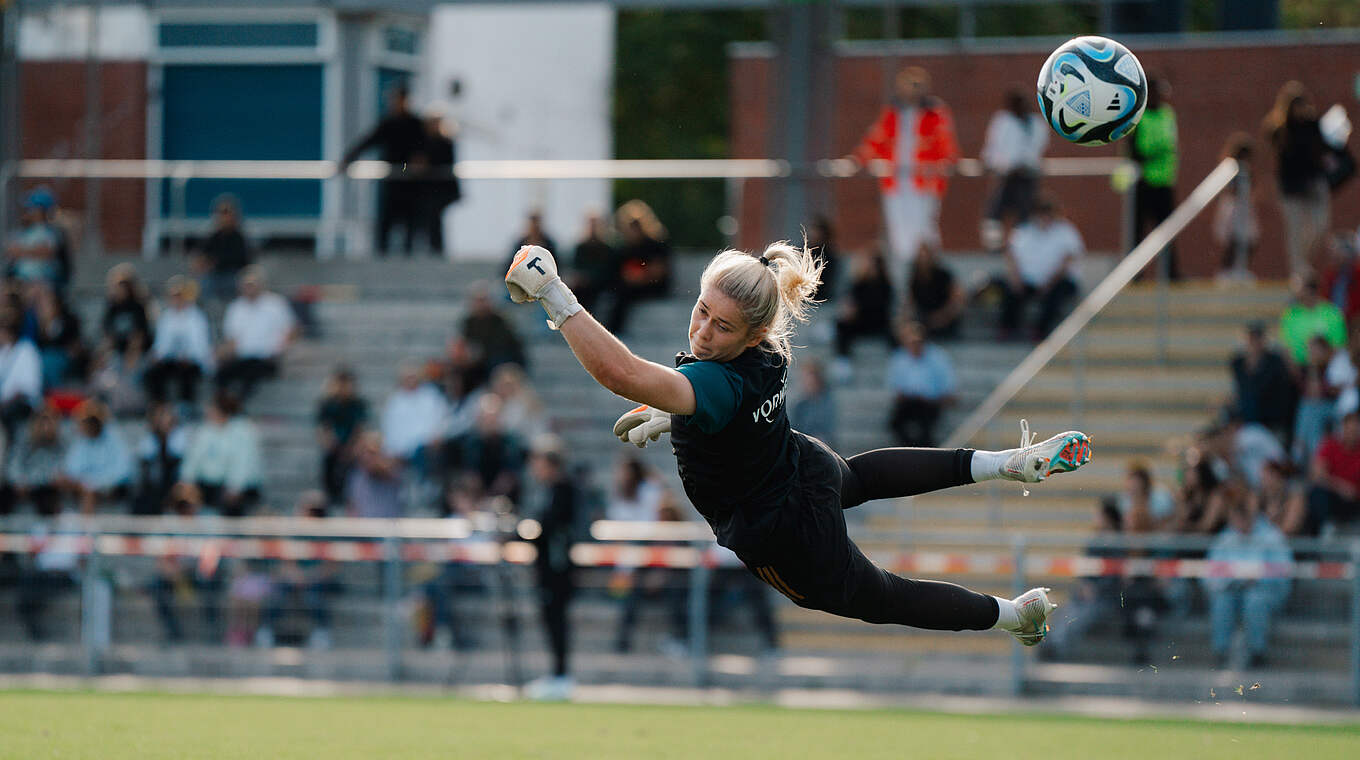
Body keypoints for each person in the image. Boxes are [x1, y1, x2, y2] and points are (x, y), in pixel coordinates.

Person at [504, 239, 1092, 649]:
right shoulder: (768, 352)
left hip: (783, 535)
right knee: (858, 478)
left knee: (883, 597)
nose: (703, 332)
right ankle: (1008, 463)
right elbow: (715, 409)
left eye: (721, 326)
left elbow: (623, 373)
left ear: (754, 331)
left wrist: (556, 294)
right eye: (701, 311)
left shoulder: (712, 377)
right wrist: (677, 416)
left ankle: (1019, 614)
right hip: (801, 464)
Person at [848, 66, 959, 294]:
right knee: (900, 235)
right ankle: (904, 283)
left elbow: (945, 142)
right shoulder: (893, 113)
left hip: (923, 182)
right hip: (896, 183)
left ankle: (929, 278)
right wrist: (859, 159)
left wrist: (946, 162)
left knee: (925, 232)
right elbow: (877, 138)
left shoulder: (935, 113)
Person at [1203, 490, 1292, 669]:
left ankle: (1257, 652)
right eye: (1238, 516)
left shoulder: (1272, 536)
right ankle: (1221, 652)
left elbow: (1284, 570)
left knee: (1255, 601)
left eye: (1245, 516)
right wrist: (1227, 582)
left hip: (1263, 590)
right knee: (1221, 601)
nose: (1241, 521)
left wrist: (1259, 579)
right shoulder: (1225, 538)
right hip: (1231, 589)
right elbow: (1209, 572)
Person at [522, 434, 580, 700]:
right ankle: (557, 674)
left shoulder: (564, 489)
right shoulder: (548, 491)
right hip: (549, 568)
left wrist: (523, 534)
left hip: (558, 569)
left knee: (557, 620)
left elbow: (551, 528)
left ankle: (561, 676)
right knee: (551, 620)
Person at [342, 82, 426, 256]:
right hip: (392, 178)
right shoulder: (388, 123)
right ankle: (382, 255)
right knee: (386, 220)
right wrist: (348, 158)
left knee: (409, 221)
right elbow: (368, 141)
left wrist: (419, 161)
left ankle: (406, 257)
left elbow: (424, 148)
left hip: (410, 180)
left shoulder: (416, 124)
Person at [1264, 81, 1332, 274]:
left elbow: (1324, 148)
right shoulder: (1278, 129)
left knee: (1320, 225)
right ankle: (1298, 272)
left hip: (1314, 182)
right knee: (1294, 230)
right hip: (1291, 187)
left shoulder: (1313, 124)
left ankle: (1304, 263)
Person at [997, 196, 1083, 341]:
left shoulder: (1066, 231)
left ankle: (1040, 331)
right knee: (1010, 292)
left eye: (1048, 214)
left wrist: (1050, 283)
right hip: (1029, 280)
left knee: (1056, 296)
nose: (1044, 218)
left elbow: (1067, 260)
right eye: (1041, 214)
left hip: (1058, 281)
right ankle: (1008, 328)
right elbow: (1011, 256)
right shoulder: (1024, 231)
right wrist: (1015, 278)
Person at [979, 87, 1048, 253]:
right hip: (1006, 176)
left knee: (1025, 216)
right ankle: (993, 247)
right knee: (994, 212)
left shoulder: (1036, 123)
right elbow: (993, 145)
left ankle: (1021, 249)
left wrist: (1024, 164)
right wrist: (990, 162)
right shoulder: (1003, 121)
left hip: (1027, 177)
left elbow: (1037, 149)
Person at [216, 266, 298, 402]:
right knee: (221, 374)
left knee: (250, 375)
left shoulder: (276, 304)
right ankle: (224, 407)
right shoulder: (236, 308)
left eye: (252, 285)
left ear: (261, 285)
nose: (249, 288)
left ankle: (236, 406)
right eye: (246, 285)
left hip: (267, 359)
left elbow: (292, 329)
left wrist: (281, 349)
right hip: (243, 358)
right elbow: (231, 339)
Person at [178, 393, 264, 517]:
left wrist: (235, 487)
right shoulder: (205, 430)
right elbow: (194, 456)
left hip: (238, 487)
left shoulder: (243, 431)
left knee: (231, 506)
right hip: (210, 486)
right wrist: (186, 480)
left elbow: (242, 461)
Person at [1129, 75, 1179, 280]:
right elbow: (1133, 151)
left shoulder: (1168, 114)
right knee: (1137, 231)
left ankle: (1171, 274)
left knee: (1169, 230)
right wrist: (1155, 153)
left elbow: (1172, 145)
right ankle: (1136, 275)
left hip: (1165, 181)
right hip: (1144, 181)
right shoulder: (1138, 117)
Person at [605, 200, 673, 335]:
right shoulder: (624, 248)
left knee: (622, 295)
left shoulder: (656, 245)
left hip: (652, 286)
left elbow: (659, 272)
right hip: (630, 285)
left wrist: (640, 276)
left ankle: (613, 333)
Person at [144, 275, 214, 406]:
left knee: (186, 372)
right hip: (171, 360)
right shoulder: (166, 317)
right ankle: (159, 406)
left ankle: (186, 406)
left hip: (192, 361)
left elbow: (201, 345)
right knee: (153, 373)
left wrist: (189, 356)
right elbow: (161, 344)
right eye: (173, 296)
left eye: (179, 295)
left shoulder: (196, 316)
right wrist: (157, 356)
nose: (176, 299)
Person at [886, 321, 955, 448]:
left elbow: (947, 390)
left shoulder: (938, 357)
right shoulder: (899, 358)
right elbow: (895, 389)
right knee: (894, 424)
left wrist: (932, 399)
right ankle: (909, 449)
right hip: (908, 403)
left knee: (926, 428)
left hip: (930, 403)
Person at [57, 400, 133, 514]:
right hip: (84, 488)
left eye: (93, 421)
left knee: (89, 492)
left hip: (111, 489)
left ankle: (86, 529)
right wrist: (84, 483)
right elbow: (71, 469)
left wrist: (96, 484)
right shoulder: (81, 442)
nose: (90, 425)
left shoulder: (115, 439)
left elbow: (124, 472)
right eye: (87, 421)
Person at [831, 246, 894, 382]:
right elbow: (848, 303)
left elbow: (883, 307)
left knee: (895, 332)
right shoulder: (858, 284)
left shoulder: (886, 285)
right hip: (861, 323)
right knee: (841, 324)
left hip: (880, 323)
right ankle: (843, 361)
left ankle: (896, 363)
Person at [1230, 321, 1296, 445]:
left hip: (1271, 423)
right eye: (1251, 338)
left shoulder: (1275, 361)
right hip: (1247, 423)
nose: (1254, 342)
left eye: (1257, 338)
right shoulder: (1237, 363)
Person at [315, 366, 369, 510]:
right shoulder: (328, 404)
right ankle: (331, 496)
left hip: (352, 448)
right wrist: (331, 444)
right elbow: (323, 428)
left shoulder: (358, 404)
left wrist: (351, 448)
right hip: (334, 447)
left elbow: (360, 428)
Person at [1213, 132, 1260, 280]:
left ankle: (1241, 267)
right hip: (1232, 208)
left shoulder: (1247, 169)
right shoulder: (1230, 167)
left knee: (1250, 240)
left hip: (1245, 207)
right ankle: (1226, 271)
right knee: (1233, 241)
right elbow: (1226, 189)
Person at [191, 195, 254, 304]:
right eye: (221, 214)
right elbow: (202, 256)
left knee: (240, 282)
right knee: (203, 283)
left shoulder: (240, 237)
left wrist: (215, 261)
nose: (224, 217)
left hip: (234, 275)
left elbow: (242, 260)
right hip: (215, 276)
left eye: (227, 213)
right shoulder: (213, 237)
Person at [1306, 408, 1360, 533]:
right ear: (1343, 428)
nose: (1353, 431)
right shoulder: (1330, 445)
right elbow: (1316, 475)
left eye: (1356, 428)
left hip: (1355, 499)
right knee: (1316, 493)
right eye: (1350, 427)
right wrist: (1340, 487)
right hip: (1333, 497)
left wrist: (1353, 491)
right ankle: (1326, 527)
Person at [133, 402, 189, 515]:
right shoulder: (149, 439)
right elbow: (146, 461)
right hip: (153, 486)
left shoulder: (179, 436)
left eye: (165, 418)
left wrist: (166, 436)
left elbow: (177, 458)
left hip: (176, 482)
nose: (162, 422)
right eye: (159, 418)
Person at [1279, 272, 1346, 365]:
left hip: (1326, 369)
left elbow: (1338, 345)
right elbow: (1285, 346)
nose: (1293, 290)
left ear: (1309, 289)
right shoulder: (1291, 314)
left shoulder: (1331, 313)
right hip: (1297, 370)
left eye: (1297, 286)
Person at [418, 111, 461, 256]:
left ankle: (436, 248)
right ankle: (433, 247)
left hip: (442, 190)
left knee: (434, 217)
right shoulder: (427, 142)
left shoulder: (444, 142)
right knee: (431, 218)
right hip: (433, 190)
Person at [4, 189, 62, 288]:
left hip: (40, 281)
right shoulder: (24, 231)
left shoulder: (49, 232)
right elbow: (10, 250)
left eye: (30, 208)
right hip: (18, 279)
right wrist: (30, 251)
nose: (26, 211)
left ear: (40, 211)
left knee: (40, 292)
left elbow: (46, 252)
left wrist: (21, 251)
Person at [906, 244, 965, 339]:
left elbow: (958, 299)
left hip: (945, 320)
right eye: (921, 257)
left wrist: (942, 316)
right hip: (923, 320)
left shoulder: (944, 275)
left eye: (926, 256)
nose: (923, 260)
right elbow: (909, 303)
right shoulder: (914, 277)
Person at [568, 210, 617, 316]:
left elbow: (609, 273)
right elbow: (576, 269)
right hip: (584, 289)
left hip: (601, 288)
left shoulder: (608, 249)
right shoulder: (581, 248)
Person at [789, 359, 837, 450]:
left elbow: (827, 428)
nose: (806, 382)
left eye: (809, 378)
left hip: (822, 444)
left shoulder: (827, 402)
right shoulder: (799, 404)